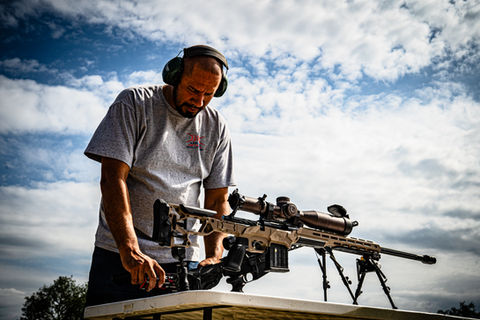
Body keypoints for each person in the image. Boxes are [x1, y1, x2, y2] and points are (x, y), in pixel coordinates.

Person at [83, 45, 235, 306]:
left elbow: (217, 199)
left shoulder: (216, 126)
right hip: (120, 259)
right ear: (174, 75)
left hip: (183, 264)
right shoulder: (133, 103)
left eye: (209, 94)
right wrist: (130, 251)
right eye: (193, 90)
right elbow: (112, 179)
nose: (199, 102)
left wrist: (214, 256)